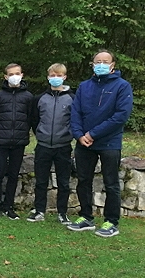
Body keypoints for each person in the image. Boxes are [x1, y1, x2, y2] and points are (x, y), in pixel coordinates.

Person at [67, 50, 132, 238]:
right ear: (92, 64)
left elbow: (120, 116)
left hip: (109, 142)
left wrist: (93, 133)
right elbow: (75, 112)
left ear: (113, 65)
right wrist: (79, 135)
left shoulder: (122, 86)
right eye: (98, 61)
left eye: (105, 61)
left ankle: (111, 221)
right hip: (84, 143)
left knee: (111, 183)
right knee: (83, 180)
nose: (101, 64)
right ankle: (86, 217)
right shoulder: (84, 86)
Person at [27, 63, 74, 224]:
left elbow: (75, 121)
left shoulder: (72, 98)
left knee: (63, 182)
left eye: (59, 75)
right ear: (48, 77)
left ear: (64, 77)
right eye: (52, 75)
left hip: (63, 146)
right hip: (44, 145)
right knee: (41, 181)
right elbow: (34, 120)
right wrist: (41, 134)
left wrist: (68, 135)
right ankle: (39, 210)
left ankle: (62, 213)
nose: (55, 78)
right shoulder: (39, 98)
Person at [0, 63, 32, 220]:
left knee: (13, 175)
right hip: (0, 141)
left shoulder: (28, 97)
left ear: (22, 74)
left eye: (17, 73)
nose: (14, 76)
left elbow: (30, 118)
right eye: (11, 73)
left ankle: (9, 206)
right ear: (5, 77)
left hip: (18, 141)